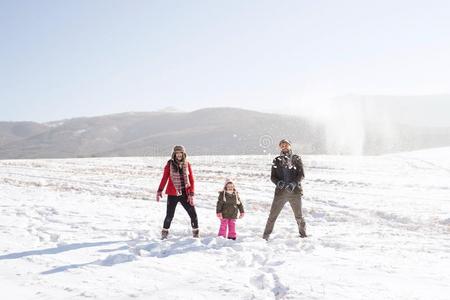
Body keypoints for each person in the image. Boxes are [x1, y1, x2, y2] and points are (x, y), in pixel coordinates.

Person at [263, 139, 307, 240]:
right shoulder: (276, 160)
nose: (284, 147)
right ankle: (265, 236)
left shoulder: (296, 158)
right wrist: (279, 183)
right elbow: (273, 177)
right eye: (282, 145)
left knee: (299, 216)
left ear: (290, 146)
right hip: (280, 193)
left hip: (295, 192)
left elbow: (301, 175)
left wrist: (294, 183)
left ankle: (303, 235)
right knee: (272, 216)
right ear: (280, 147)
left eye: (286, 145)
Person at [157, 145, 199, 239]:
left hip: (185, 194)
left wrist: (191, 193)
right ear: (174, 154)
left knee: (193, 213)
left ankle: (196, 233)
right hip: (173, 194)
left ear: (183, 154)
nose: (179, 155)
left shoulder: (187, 164)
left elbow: (191, 179)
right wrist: (160, 190)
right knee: (169, 215)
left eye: (180, 153)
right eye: (177, 153)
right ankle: (164, 233)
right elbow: (165, 178)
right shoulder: (169, 164)